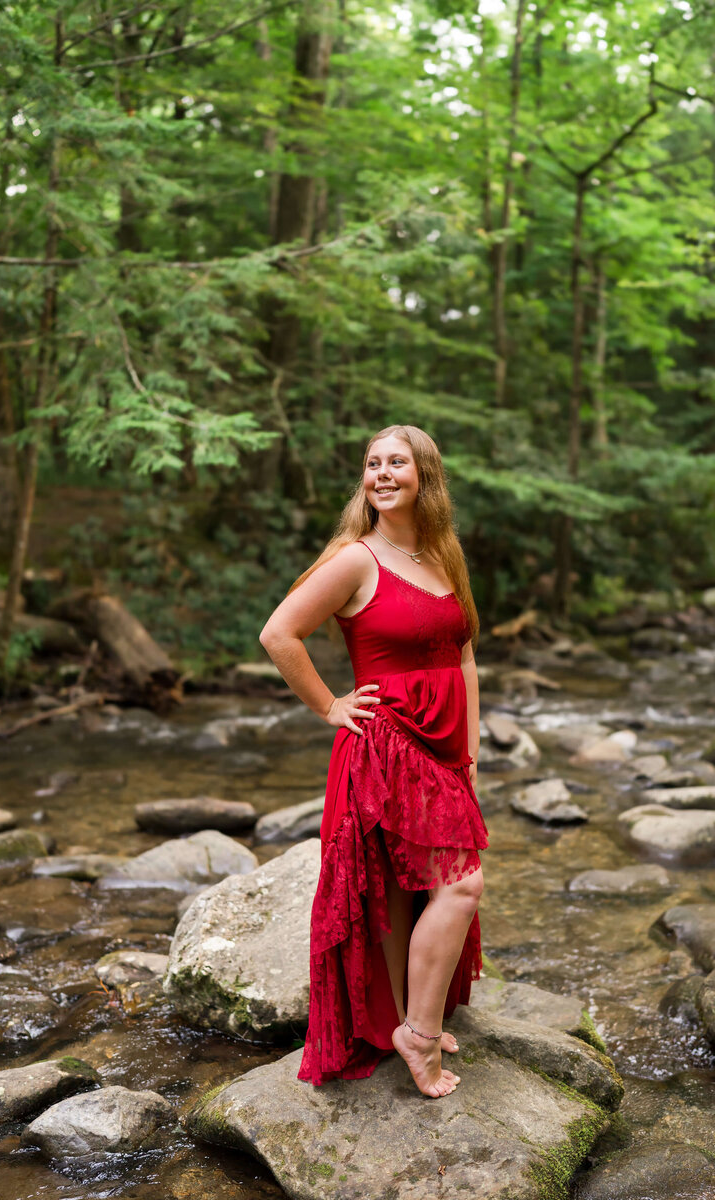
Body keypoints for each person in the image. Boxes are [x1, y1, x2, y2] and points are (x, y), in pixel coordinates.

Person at [259, 424, 489, 1099]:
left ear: (426, 475)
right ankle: (417, 1037)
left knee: (407, 891)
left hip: (443, 748)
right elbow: (279, 633)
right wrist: (330, 706)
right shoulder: (357, 559)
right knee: (460, 885)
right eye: (372, 463)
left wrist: (469, 752)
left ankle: (405, 1019)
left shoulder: (444, 554)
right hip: (384, 745)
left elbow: (464, 655)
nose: (383, 473)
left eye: (398, 462)